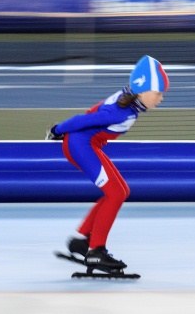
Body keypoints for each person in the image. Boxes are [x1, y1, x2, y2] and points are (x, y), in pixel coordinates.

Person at [46, 55, 169, 272]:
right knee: (114, 194)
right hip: (80, 147)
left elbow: (92, 113)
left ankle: (81, 239)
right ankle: (96, 251)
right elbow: (83, 120)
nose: (161, 99)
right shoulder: (119, 112)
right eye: (158, 93)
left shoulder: (129, 101)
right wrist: (57, 130)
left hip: (86, 145)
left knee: (121, 191)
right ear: (143, 90)